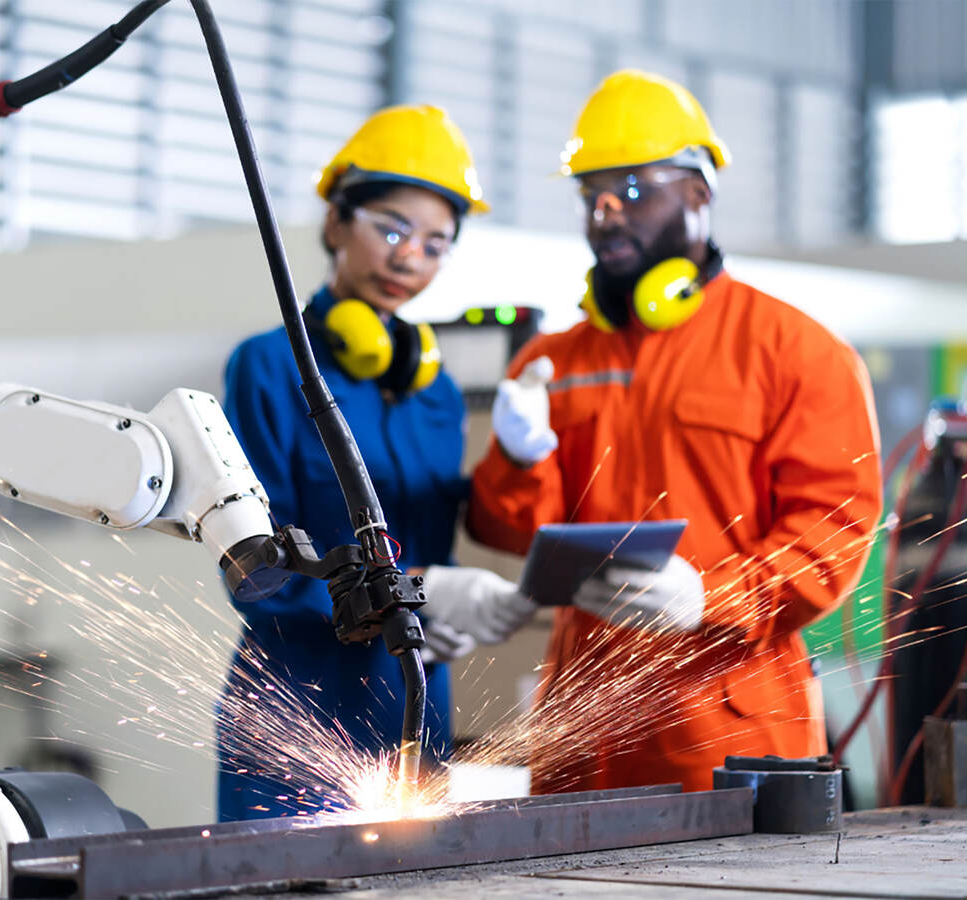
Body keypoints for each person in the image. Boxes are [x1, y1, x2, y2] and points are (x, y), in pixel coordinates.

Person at [467, 70, 883, 793]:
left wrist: (712, 598)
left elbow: (835, 528)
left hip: (727, 728)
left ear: (699, 192)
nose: (604, 214)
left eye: (631, 190)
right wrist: (516, 455)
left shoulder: (797, 351)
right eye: (589, 194)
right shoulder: (552, 361)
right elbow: (508, 531)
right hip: (581, 728)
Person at [217, 105, 531, 821]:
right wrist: (406, 594)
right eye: (390, 228)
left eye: (434, 243)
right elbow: (251, 571)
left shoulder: (438, 392)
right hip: (293, 711)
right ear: (335, 223)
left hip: (412, 709)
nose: (408, 258)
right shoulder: (269, 367)